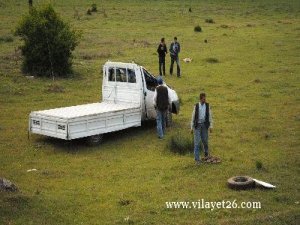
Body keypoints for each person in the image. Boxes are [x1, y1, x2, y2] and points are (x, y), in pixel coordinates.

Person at [190, 93, 213, 165]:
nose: (205, 100)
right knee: (197, 142)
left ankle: (206, 153)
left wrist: (211, 126)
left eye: (205, 98)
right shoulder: (196, 106)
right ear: (200, 99)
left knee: (205, 141)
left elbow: (210, 116)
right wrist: (191, 127)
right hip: (197, 126)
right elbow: (193, 117)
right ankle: (197, 159)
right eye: (203, 99)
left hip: (204, 125)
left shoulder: (207, 106)